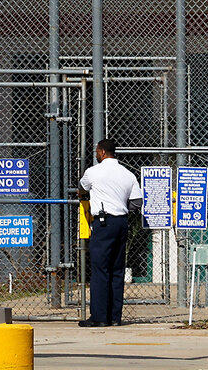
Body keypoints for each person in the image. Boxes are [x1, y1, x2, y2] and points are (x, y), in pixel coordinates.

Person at [77, 138, 142, 327]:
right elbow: (137, 202)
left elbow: (82, 189)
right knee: (116, 270)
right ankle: (115, 317)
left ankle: (99, 317)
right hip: (121, 222)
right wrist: (120, 207)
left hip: (103, 223)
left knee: (100, 270)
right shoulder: (128, 174)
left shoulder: (93, 172)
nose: (96, 155)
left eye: (97, 152)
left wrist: (84, 195)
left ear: (102, 152)